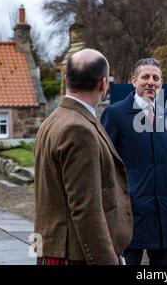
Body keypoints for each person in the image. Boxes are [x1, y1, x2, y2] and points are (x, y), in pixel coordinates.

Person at [34, 49, 133, 265]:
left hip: (54, 249)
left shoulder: (51, 121)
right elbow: (86, 209)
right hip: (73, 255)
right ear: (103, 84)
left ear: (67, 79)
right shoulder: (78, 129)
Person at [101, 58, 167, 265]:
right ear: (134, 80)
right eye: (146, 77)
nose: (151, 82)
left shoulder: (166, 116)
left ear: (161, 83)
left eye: (156, 78)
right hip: (130, 211)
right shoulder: (115, 114)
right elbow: (104, 163)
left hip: (162, 211)